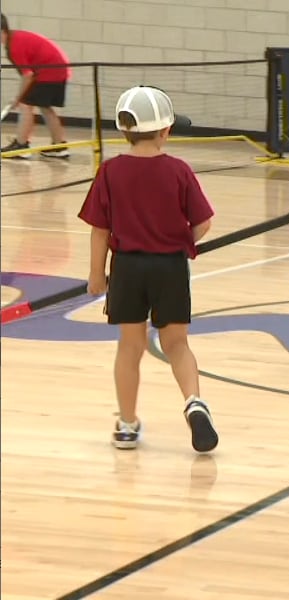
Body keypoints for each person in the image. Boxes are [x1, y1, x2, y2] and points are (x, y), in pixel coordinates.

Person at [76, 85, 218, 452]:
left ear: (124, 130)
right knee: (176, 344)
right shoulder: (178, 170)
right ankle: (194, 402)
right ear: (166, 130)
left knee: (131, 345)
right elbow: (203, 225)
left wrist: (96, 274)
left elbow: (100, 230)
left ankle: (126, 425)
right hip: (170, 268)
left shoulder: (109, 171)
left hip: (127, 269)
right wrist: (182, 239)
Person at [1, 13, 71, 158]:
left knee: (26, 105)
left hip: (50, 71)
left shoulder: (14, 46)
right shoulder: (13, 40)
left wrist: (18, 98)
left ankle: (21, 147)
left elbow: (27, 75)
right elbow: (27, 74)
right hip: (55, 69)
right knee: (44, 107)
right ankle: (60, 146)